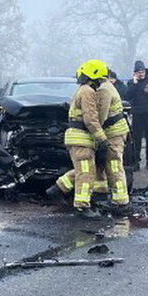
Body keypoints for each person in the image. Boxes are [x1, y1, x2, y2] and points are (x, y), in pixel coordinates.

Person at [45, 59, 110, 219]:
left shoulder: (82, 89)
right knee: (86, 173)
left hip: (79, 137)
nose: (101, 83)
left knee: (85, 170)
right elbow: (90, 119)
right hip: (81, 138)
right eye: (100, 80)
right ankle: (82, 207)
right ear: (94, 77)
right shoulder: (87, 91)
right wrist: (102, 139)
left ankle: (57, 189)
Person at [96, 73, 132, 210]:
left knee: (114, 165)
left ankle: (121, 201)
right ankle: (102, 194)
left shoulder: (104, 89)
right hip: (112, 132)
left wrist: (93, 130)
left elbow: (101, 116)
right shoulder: (106, 86)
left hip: (113, 133)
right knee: (105, 165)